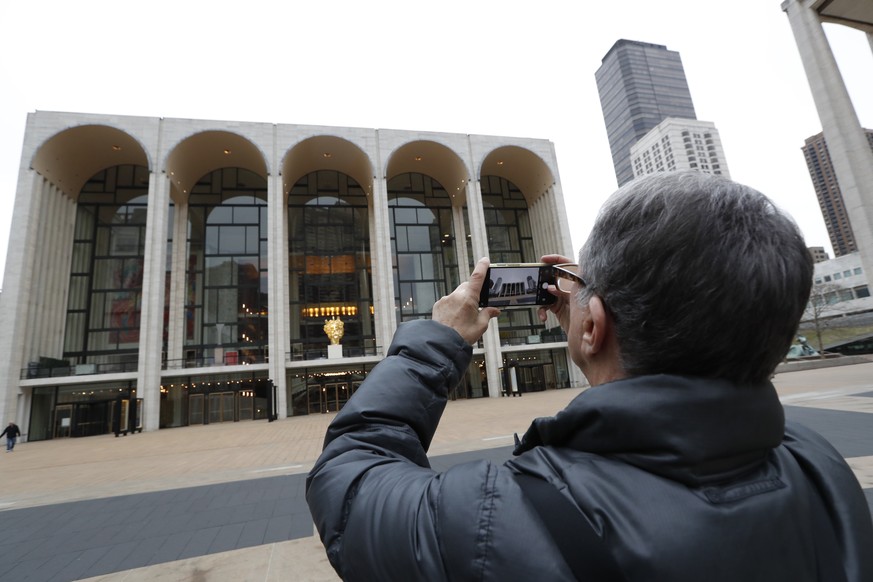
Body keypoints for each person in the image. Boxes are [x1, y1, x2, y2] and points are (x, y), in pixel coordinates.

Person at [306, 171, 873, 581]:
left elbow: (349, 486)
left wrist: (437, 342)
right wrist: (586, 319)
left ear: (595, 325)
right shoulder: (816, 462)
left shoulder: (498, 514)